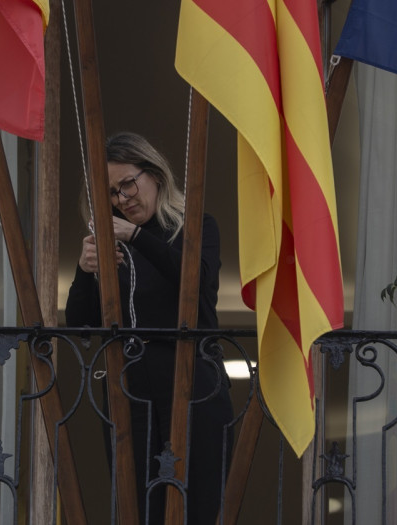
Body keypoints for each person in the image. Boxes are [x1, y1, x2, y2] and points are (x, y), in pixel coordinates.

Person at [64, 132, 233, 524]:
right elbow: (81, 323)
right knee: (138, 511)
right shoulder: (112, 242)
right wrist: (85, 268)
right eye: (112, 192)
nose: (123, 199)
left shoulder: (196, 226)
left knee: (200, 508)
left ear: (154, 174)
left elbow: (197, 280)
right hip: (132, 394)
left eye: (128, 183)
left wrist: (137, 236)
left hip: (194, 388)